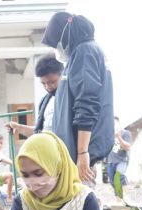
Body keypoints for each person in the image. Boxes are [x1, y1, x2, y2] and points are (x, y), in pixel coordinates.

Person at [41, 12, 114, 185]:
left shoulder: (85, 51)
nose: (57, 49)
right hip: (75, 153)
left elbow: (86, 101)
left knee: (79, 205)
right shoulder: (83, 53)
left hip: (79, 153)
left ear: (65, 35)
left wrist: (82, 152)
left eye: (56, 44)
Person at [6, 54, 64, 136]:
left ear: (62, 75)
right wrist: (19, 127)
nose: (48, 87)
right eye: (43, 83)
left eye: (52, 82)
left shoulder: (71, 99)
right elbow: (41, 133)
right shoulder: (45, 102)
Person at [105, 116, 133, 193]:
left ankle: (127, 197)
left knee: (119, 176)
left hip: (122, 160)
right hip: (111, 161)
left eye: (114, 123)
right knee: (113, 182)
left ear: (118, 123)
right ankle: (119, 200)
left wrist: (119, 137)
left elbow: (127, 147)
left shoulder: (125, 133)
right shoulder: (109, 135)